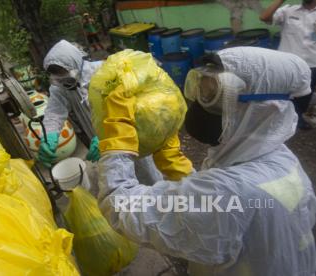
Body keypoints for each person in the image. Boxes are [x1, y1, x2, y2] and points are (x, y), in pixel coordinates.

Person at [96, 47, 316, 275]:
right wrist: (181, 172)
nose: (199, 102)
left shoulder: (229, 192)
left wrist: (118, 144)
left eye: (213, 96)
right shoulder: (284, 161)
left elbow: (119, 206)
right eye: (200, 87)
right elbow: (233, 214)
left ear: (264, 109)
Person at [38, 40, 193, 182]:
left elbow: (135, 105)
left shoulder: (106, 71)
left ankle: (155, 202)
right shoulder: (60, 87)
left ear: (77, 66)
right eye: (59, 80)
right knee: (118, 176)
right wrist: (49, 136)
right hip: (99, 143)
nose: (65, 83)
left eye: (67, 78)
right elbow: (54, 113)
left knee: (146, 173)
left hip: (127, 135)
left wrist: (108, 136)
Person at [260, 0, 316, 129]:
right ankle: (279, 121)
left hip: (312, 64)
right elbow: (264, 17)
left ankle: (296, 120)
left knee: (305, 95)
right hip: (287, 64)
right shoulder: (288, 10)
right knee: (282, 94)